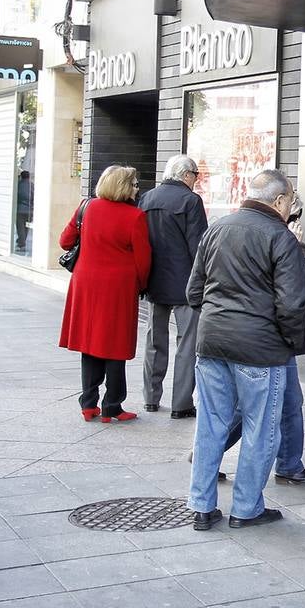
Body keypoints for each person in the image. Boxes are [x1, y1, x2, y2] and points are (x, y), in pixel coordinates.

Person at [186, 169, 305, 531]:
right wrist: (286, 341)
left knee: (210, 425)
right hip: (259, 347)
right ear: (279, 201)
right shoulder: (280, 237)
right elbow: (292, 305)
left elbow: (194, 292)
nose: (290, 208)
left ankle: (202, 506)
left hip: (211, 342)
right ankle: (246, 508)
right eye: (289, 201)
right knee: (260, 429)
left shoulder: (218, 228)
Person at [220, 192, 305, 485]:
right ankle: (210, 452)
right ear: (280, 204)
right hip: (266, 335)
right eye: (293, 211)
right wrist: (296, 247)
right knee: (257, 405)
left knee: (288, 401)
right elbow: (289, 291)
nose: (294, 219)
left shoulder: (229, 227)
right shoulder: (277, 237)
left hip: (242, 331)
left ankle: (289, 463)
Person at [59, 165, 151, 423]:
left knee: (89, 342)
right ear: (124, 187)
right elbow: (143, 261)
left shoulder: (86, 207)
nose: (137, 189)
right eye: (134, 185)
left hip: (86, 284)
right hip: (118, 287)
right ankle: (112, 405)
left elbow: (65, 241)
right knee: (115, 345)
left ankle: (88, 403)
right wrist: (141, 285)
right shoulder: (135, 217)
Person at [139, 155, 209, 418]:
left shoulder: (147, 199)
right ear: (187, 175)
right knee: (187, 344)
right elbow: (198, 248)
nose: (196, 180)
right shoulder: (191, 201)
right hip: (185, 286)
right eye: (196, 174)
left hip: (154, 283)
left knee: (154, 342)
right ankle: (181, 404)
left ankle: (150, 398)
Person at [15, 170, 34, 251]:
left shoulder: (18, 185)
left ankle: (21, 243)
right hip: (29, 211)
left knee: (20, 227)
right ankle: (22, 241)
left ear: (21, 177)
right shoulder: (32, 185)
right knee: (26, 227)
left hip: (20, 210)